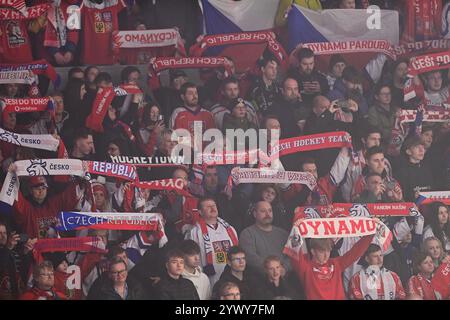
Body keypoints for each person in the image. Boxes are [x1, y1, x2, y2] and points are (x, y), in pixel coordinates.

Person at [289, 219, 375, 300]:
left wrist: (371, 233)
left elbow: (355, 252)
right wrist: (295, 230)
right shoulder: (306, 267)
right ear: (313, 252)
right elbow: (294, 253)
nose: (326, 254)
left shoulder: (336, 263)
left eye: (328, 250)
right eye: (322, 251)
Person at [9, 167, 81, 239]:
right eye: (37, 188)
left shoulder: (54, 203)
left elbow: (70, 196)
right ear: (30, 190)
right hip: (33, 248)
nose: (41, 191)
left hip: (54, 247)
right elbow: (15, 197)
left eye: (43, 188)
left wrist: (80, 175)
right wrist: (11, 175)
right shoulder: (26, 207)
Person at [186, 197, 238, 286]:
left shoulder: (230, 229)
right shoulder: (194, 232)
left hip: (231, 276)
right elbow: (190, 257)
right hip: (209, 278)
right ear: (200, 212)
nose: (212, 208)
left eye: (214, 205)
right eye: (208, 206)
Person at [239, 201, 291, 277]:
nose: (267, 214)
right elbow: (250, 257)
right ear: (255, 214)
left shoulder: (284, 234)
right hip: (259, 281)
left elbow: (292, 256)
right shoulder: (247, 234)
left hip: (284, 280)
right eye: (263, 211)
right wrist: (272, 270)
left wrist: (284, 269)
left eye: (270, 210)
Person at [0, 221, 35, 300]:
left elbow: (23, 271)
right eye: (0, 233)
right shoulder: (8, 249)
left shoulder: (13, 250)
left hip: (18, 292)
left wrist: (25, 253)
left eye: (5, 233)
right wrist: (8, 248)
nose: (3, 236)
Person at [395, 136, 435, 202]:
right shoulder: (401, 173)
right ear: (408, 152)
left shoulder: (427, 170)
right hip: (411, 208)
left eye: (423, 147)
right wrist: (412, 196)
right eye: (417, 147)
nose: (421, 150)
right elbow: (400, 197)